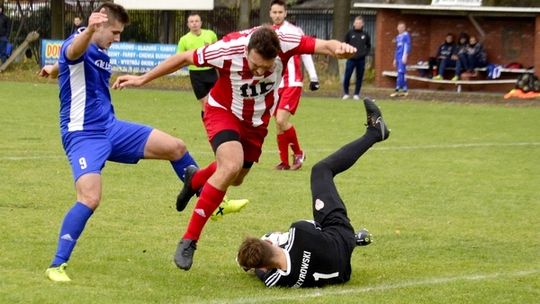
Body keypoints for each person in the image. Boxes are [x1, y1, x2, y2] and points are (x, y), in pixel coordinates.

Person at [113, 25, 357, 271]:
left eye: (267, 67)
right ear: (247, 50)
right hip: (223, 111)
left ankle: (195, 178)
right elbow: (185, 57)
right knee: (230, 165)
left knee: (237, 178)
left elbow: (325, 45)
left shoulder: (287, 40)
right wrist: (143, 78)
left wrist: (340, 49)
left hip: (257, 122)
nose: (260, 71)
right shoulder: (227, 49)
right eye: (254, 65)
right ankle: (189, 240)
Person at [38, 3, 242, 282]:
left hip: (111, 127)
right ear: (98, 25)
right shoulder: (79, 41)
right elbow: (73, 52)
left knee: (176, 147)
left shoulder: (97, 49)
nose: (118, 38)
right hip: (82, 134)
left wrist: (51, 69)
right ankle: (56, 265)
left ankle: (213, 202)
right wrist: (87, 34)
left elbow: (65, 63)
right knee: (90, 197)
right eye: (115, 32)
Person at [236, 98, 389, 288]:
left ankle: (354, 239)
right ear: (270, 244)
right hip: (339, 232)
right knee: (321, 170)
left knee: (318, 247)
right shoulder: (298, 232)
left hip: (342, 271)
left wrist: (252, 265)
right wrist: (275, 239)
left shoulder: (277, 281)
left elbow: (262, 272)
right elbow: (317, 226)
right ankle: (374, 132)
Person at [269, 0, 319, 170]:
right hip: (276, 84)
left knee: (282, 119)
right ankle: (284, 161)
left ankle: (298, 152)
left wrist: (313, 77)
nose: (277, 15)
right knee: (278, 123)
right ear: (270, 13)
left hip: (292, 82)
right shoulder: (268, 32)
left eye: (280, 12)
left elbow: (306, 54)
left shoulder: (294, 31)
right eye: (274, 12)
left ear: (285, 13)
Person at [177, 13, 218, 116]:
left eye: (196, 21)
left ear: (201, 23)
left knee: (216, 102)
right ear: (188, 24)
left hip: (210, 72)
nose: (194, 24)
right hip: (196, 75)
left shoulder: (210, 34)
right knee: (204, 103)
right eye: (191, 21)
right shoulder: (184, 40)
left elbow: (217, 50)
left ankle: (216, 124)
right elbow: (179, 58)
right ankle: (208, 126)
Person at [342, 16, 371, 100]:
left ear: (362, 24)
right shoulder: (350, 33)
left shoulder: (365, 35)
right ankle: (346, 93)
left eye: (359, 23)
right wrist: (347, 53)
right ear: (354, 23)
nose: (358, 24)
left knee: (359, 77)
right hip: (351, 59)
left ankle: (356, 94)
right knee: (347, 76)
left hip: (361, 60)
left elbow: (368, 46)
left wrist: (364, 54)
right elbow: (344, 44)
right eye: (356, 23)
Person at [390, 21, 410, 98]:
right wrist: (395, 59)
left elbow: (407, 46)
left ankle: (397, 89)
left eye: (402, 27)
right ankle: (405, 90)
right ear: (397, 28)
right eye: (399, 27)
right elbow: (397, 48)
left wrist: (405, 55)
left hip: (402, 56)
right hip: (398, 57)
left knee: (400, 73)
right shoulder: (398, 37)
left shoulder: (406, 35)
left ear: (404, 28)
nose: (400, 29)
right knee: (402, 73)